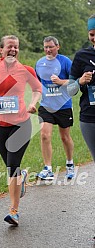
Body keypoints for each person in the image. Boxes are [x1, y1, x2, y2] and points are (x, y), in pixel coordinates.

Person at [0, 35, 42, 226]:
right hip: (0, 126)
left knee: (12, 168)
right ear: (1, 49)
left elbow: (38, 89)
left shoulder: (26, 70)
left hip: (22, 124)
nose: (13, 50)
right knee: (12, 169)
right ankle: (22, 176)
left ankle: (14, 211)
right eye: (10, 47)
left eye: (16, 47)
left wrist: (32, 104)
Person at [35, 36, 75, 180]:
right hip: (46, 105)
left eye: (51, 47)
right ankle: (48, 169)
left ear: (58, 47)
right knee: (45, 135)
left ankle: (70, 163)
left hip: (63, 105)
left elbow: (74, 82)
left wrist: (60, 81)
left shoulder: (65, 62)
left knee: (65, 137)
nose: (48, 50)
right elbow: (37, 84)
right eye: (45, 47)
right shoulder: (39, 63)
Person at [68, 14, 95, 162]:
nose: (94, 38)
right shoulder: (82, 56)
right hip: (89, 117)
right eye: (92, 34)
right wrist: (80, 81)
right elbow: (70, 91)